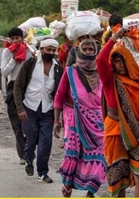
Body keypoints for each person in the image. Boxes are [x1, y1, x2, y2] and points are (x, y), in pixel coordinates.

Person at [96, 28, 139, 197]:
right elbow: (100, 60)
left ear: (129, 61)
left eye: (123, 61)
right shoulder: (110, 81)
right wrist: (114, 38)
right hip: (116, 132)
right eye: (116, 62)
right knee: (119, 178)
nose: (121, 65)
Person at [53, 39, 106, 198]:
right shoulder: (70, 72)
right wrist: (57, 121)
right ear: (80, 51)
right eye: (86, 49)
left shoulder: (102, 72)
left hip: (97, 119)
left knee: (99, 154)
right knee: (73, 153)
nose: (89, 52)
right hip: (73, 116)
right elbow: (59, 96)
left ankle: (91, 190)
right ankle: (68, 184)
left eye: (92, 49)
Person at [13, 38, 63, 184]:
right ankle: (29, 160)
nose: (51, 53)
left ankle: (43, 172)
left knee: (46, 142)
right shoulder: (30, 64)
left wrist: (59, 116)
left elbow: (59, 92)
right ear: (41, 50)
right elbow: (18, 87)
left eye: (53, 50)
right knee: (31, 139)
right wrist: (20, 109)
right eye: (48, 50)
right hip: (29, 108)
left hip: (47, 109)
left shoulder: (57, 67)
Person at [1, 27, 35, 166]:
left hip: (29, 86)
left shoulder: (29, 50)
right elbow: (4, 72)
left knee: (30, 121)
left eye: (17, 38)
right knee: (17, 123)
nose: (15, 41)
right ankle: (23, 154)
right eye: (12, 39)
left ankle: (31, 149)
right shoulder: (6, 52)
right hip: (13, 86)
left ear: (22, 38)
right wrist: (14, 59)